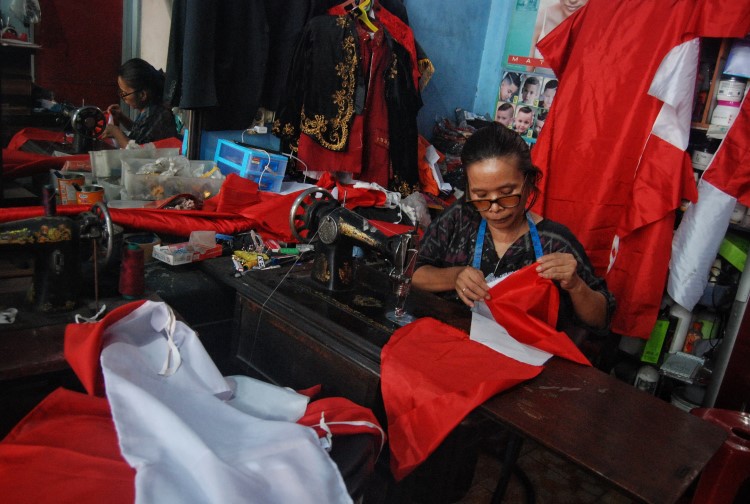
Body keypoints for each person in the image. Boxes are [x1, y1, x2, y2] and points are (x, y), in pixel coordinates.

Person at [412, 123, 614, 337]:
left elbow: (601, 319)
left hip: (524, 355)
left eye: (507, 192)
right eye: (481, 196)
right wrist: (455, 276)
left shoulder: (555, 242)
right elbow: (413, 273)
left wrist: (576, 286)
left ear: (528, 183)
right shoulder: (462, 216)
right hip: (453, 341)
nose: (495, 207)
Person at [101, 58, 178, 148]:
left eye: (124, 94)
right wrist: (122, 118)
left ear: (142, 95)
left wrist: (116, 133)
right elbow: (142, 133)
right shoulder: (150, 111)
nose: (123, 98)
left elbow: (137, 152)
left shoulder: (158, 114)